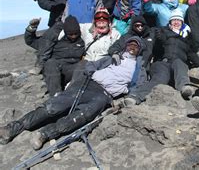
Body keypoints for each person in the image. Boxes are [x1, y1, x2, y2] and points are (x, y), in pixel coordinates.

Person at [0, 37, 142, 150]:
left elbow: (136, 86)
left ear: (139, 50)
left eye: (136, 46)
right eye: (130, 44)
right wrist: (90, 70)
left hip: (104, 96)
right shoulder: (111, 58)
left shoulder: (138, 67)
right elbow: (91, 65)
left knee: (83, 116)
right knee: (54, 107)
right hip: (88, 83)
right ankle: (13, 128)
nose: (132, 48)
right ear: (126, 46)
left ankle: (45, 134)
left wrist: (129, 98)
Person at [124, 10, 199, 104]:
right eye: (173, 20)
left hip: (177, 67)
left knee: (179, 63)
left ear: (182, 23)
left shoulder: (186, 40)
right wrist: (160, 41)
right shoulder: (161, 32)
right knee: (160, 79)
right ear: (170, 22)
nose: (176, 22)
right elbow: (154, 48)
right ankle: (135, 96)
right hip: (162, 63)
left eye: (178, 20)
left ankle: (184, 87)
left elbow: (193, 56)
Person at [24, 16, 85, 95]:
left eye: (75, 34)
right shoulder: (54, 39)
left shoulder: (83, 40)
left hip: (73, 71)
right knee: (50, 63)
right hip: (55, 71)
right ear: (66, 32)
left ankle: (74, 94)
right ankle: (56, 96)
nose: (73, 36)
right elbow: (31, 41)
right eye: (70, 34)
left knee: (84, 64)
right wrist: (31, 28)